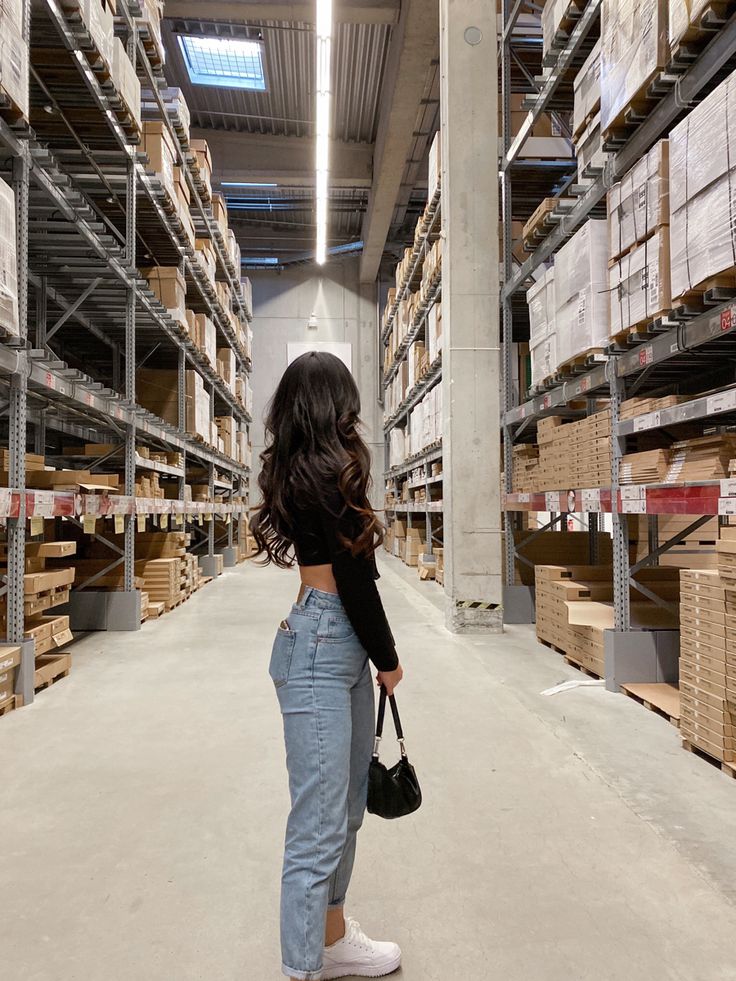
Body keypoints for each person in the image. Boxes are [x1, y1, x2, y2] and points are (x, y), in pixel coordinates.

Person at [251, 351, 404, 981]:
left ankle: (333, 939)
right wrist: (389, 657)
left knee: (346, 808)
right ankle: (301, 968)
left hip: (328, 637)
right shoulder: (331, 472)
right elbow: (355, 578)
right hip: (324, 638)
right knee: (318, 822)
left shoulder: (306, 470)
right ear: (334, 404)